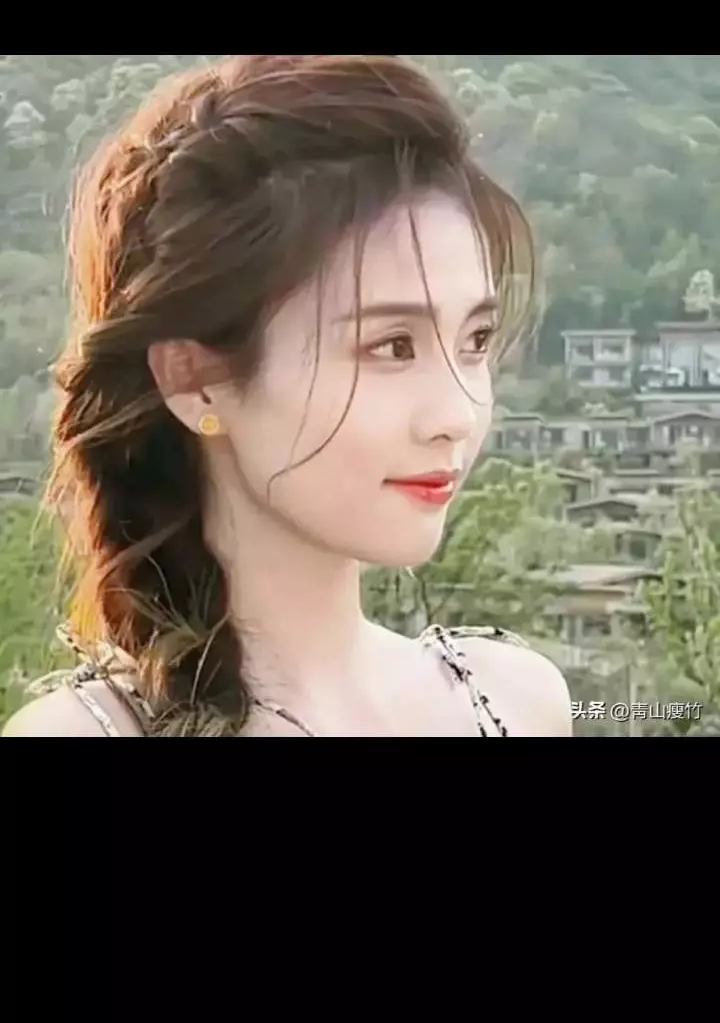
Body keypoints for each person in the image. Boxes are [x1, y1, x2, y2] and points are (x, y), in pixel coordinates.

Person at [3, 54, 572, 738]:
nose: (457, 415)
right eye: (392, 346)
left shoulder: (514, 699)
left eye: (475, 341)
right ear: (194, 379)